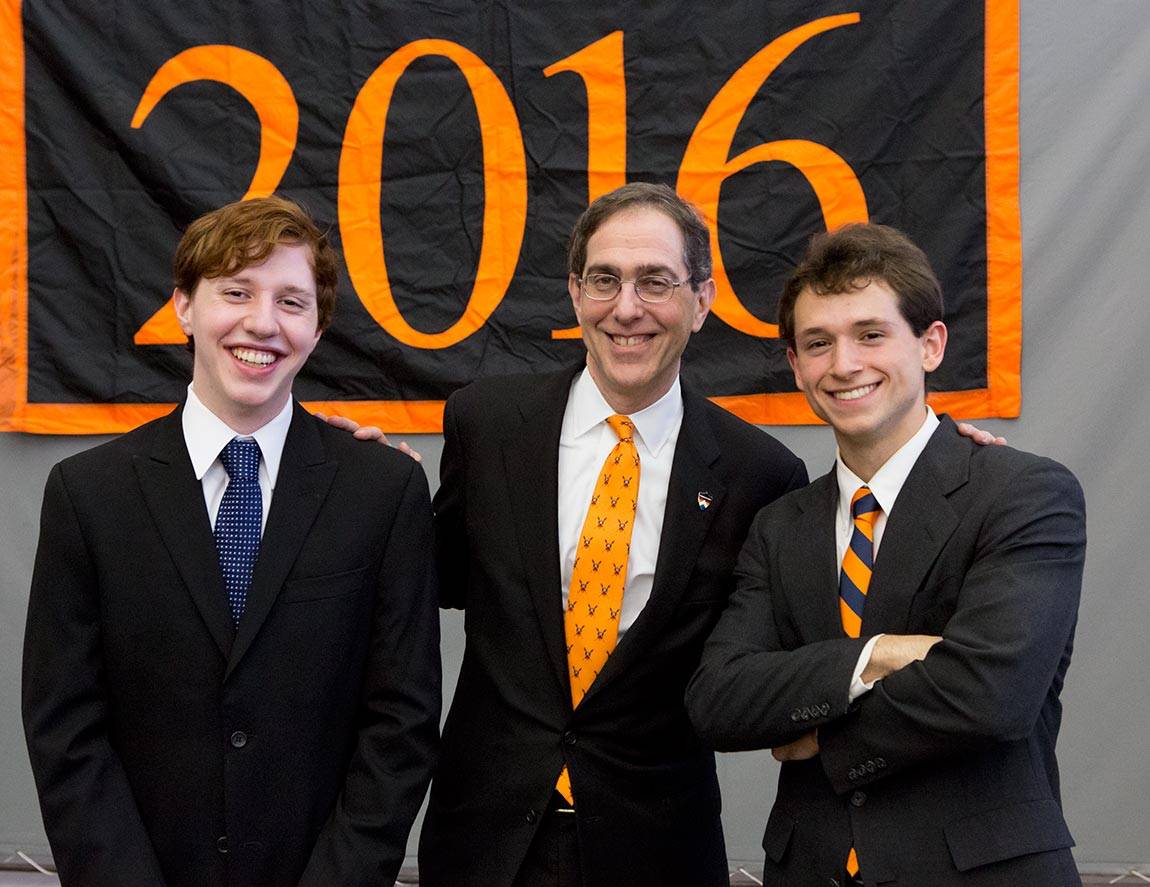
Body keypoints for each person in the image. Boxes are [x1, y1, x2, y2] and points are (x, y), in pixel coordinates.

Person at [21, 196, 440, 887]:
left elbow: (401, 723)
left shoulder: (382, 493)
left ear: (317, 326)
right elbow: (64, 727)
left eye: (291, 301)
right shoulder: (88, 494)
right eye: (236, 291)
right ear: (183, 305)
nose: (262, 323)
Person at [413, 182, 809, 886]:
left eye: (655, 281)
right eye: (605, 280)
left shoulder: (761, 474)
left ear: (703, 298)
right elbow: (426, 576)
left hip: (657, 848)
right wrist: (362, 483)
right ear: (574, 292)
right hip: (486, 843)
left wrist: (943, 457)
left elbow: (784, 648)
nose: (626, 308)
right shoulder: (488, 425)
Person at [686, 222, 1086, 886]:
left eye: (871, 334)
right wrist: (881, 654)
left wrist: (823, 735)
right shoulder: (779, 526)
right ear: (795, 365)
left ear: (930, 345)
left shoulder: (1022, 493)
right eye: (818, 343)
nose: (844, 364)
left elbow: (993, 692)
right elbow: (719, 699)